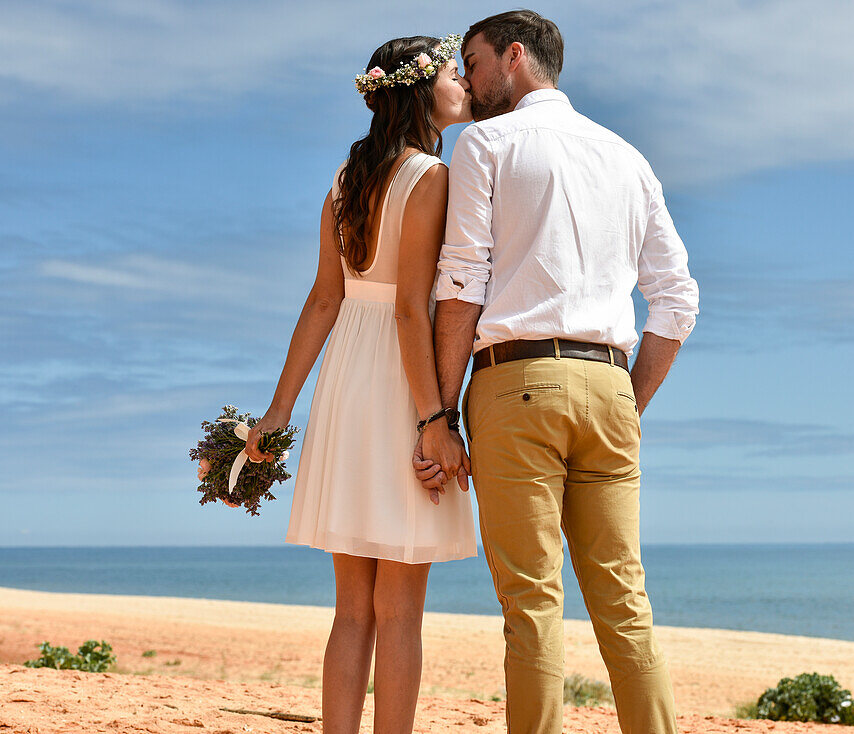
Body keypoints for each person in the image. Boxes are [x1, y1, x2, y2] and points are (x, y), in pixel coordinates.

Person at [415, 10, 700, 734]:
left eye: (474, 64)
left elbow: (461, 284)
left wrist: (441, 414)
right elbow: (677, 299)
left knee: (532, 604)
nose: (470, 83)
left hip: (517, 382)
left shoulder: (488, 142)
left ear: (515, 57)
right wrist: (628, 402)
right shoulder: (628, 157)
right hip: (609, 385)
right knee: (625, 604)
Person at [239, 34, 477, 734]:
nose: (463, 80)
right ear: (418, 89)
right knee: (399, 608)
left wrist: (279, 412)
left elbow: (323, 300)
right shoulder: (430, 176)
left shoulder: (347, 178)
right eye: (449, 72)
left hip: (347, 379)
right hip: (403, 379)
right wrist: (436, 416)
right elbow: (411, 307)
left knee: (352, 608)